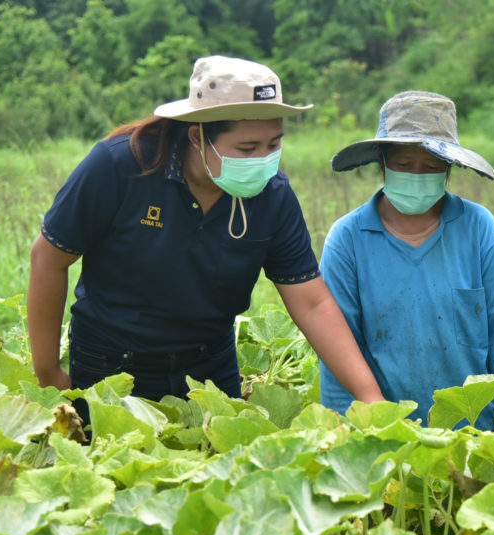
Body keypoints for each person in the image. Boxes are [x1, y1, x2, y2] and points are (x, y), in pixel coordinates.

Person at [28, 55, 384, 409]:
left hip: (209, 366)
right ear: (198, 137)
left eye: (274, 144)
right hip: (112, 364)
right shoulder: (121, 166)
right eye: (247, 148)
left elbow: (312, 302)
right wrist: (48, 373)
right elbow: (48, 258)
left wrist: (370, 398)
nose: (263, 159)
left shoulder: (272, 196)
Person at [318, 90, 494, 430]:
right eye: (404, 164)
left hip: (477, 434)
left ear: (449, 166)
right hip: (387, 434)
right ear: (381, 157)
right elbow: (336, 352)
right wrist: (345, 434)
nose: (417, 175)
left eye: (432, 166)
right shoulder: (347, 239)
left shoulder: (478, 228)